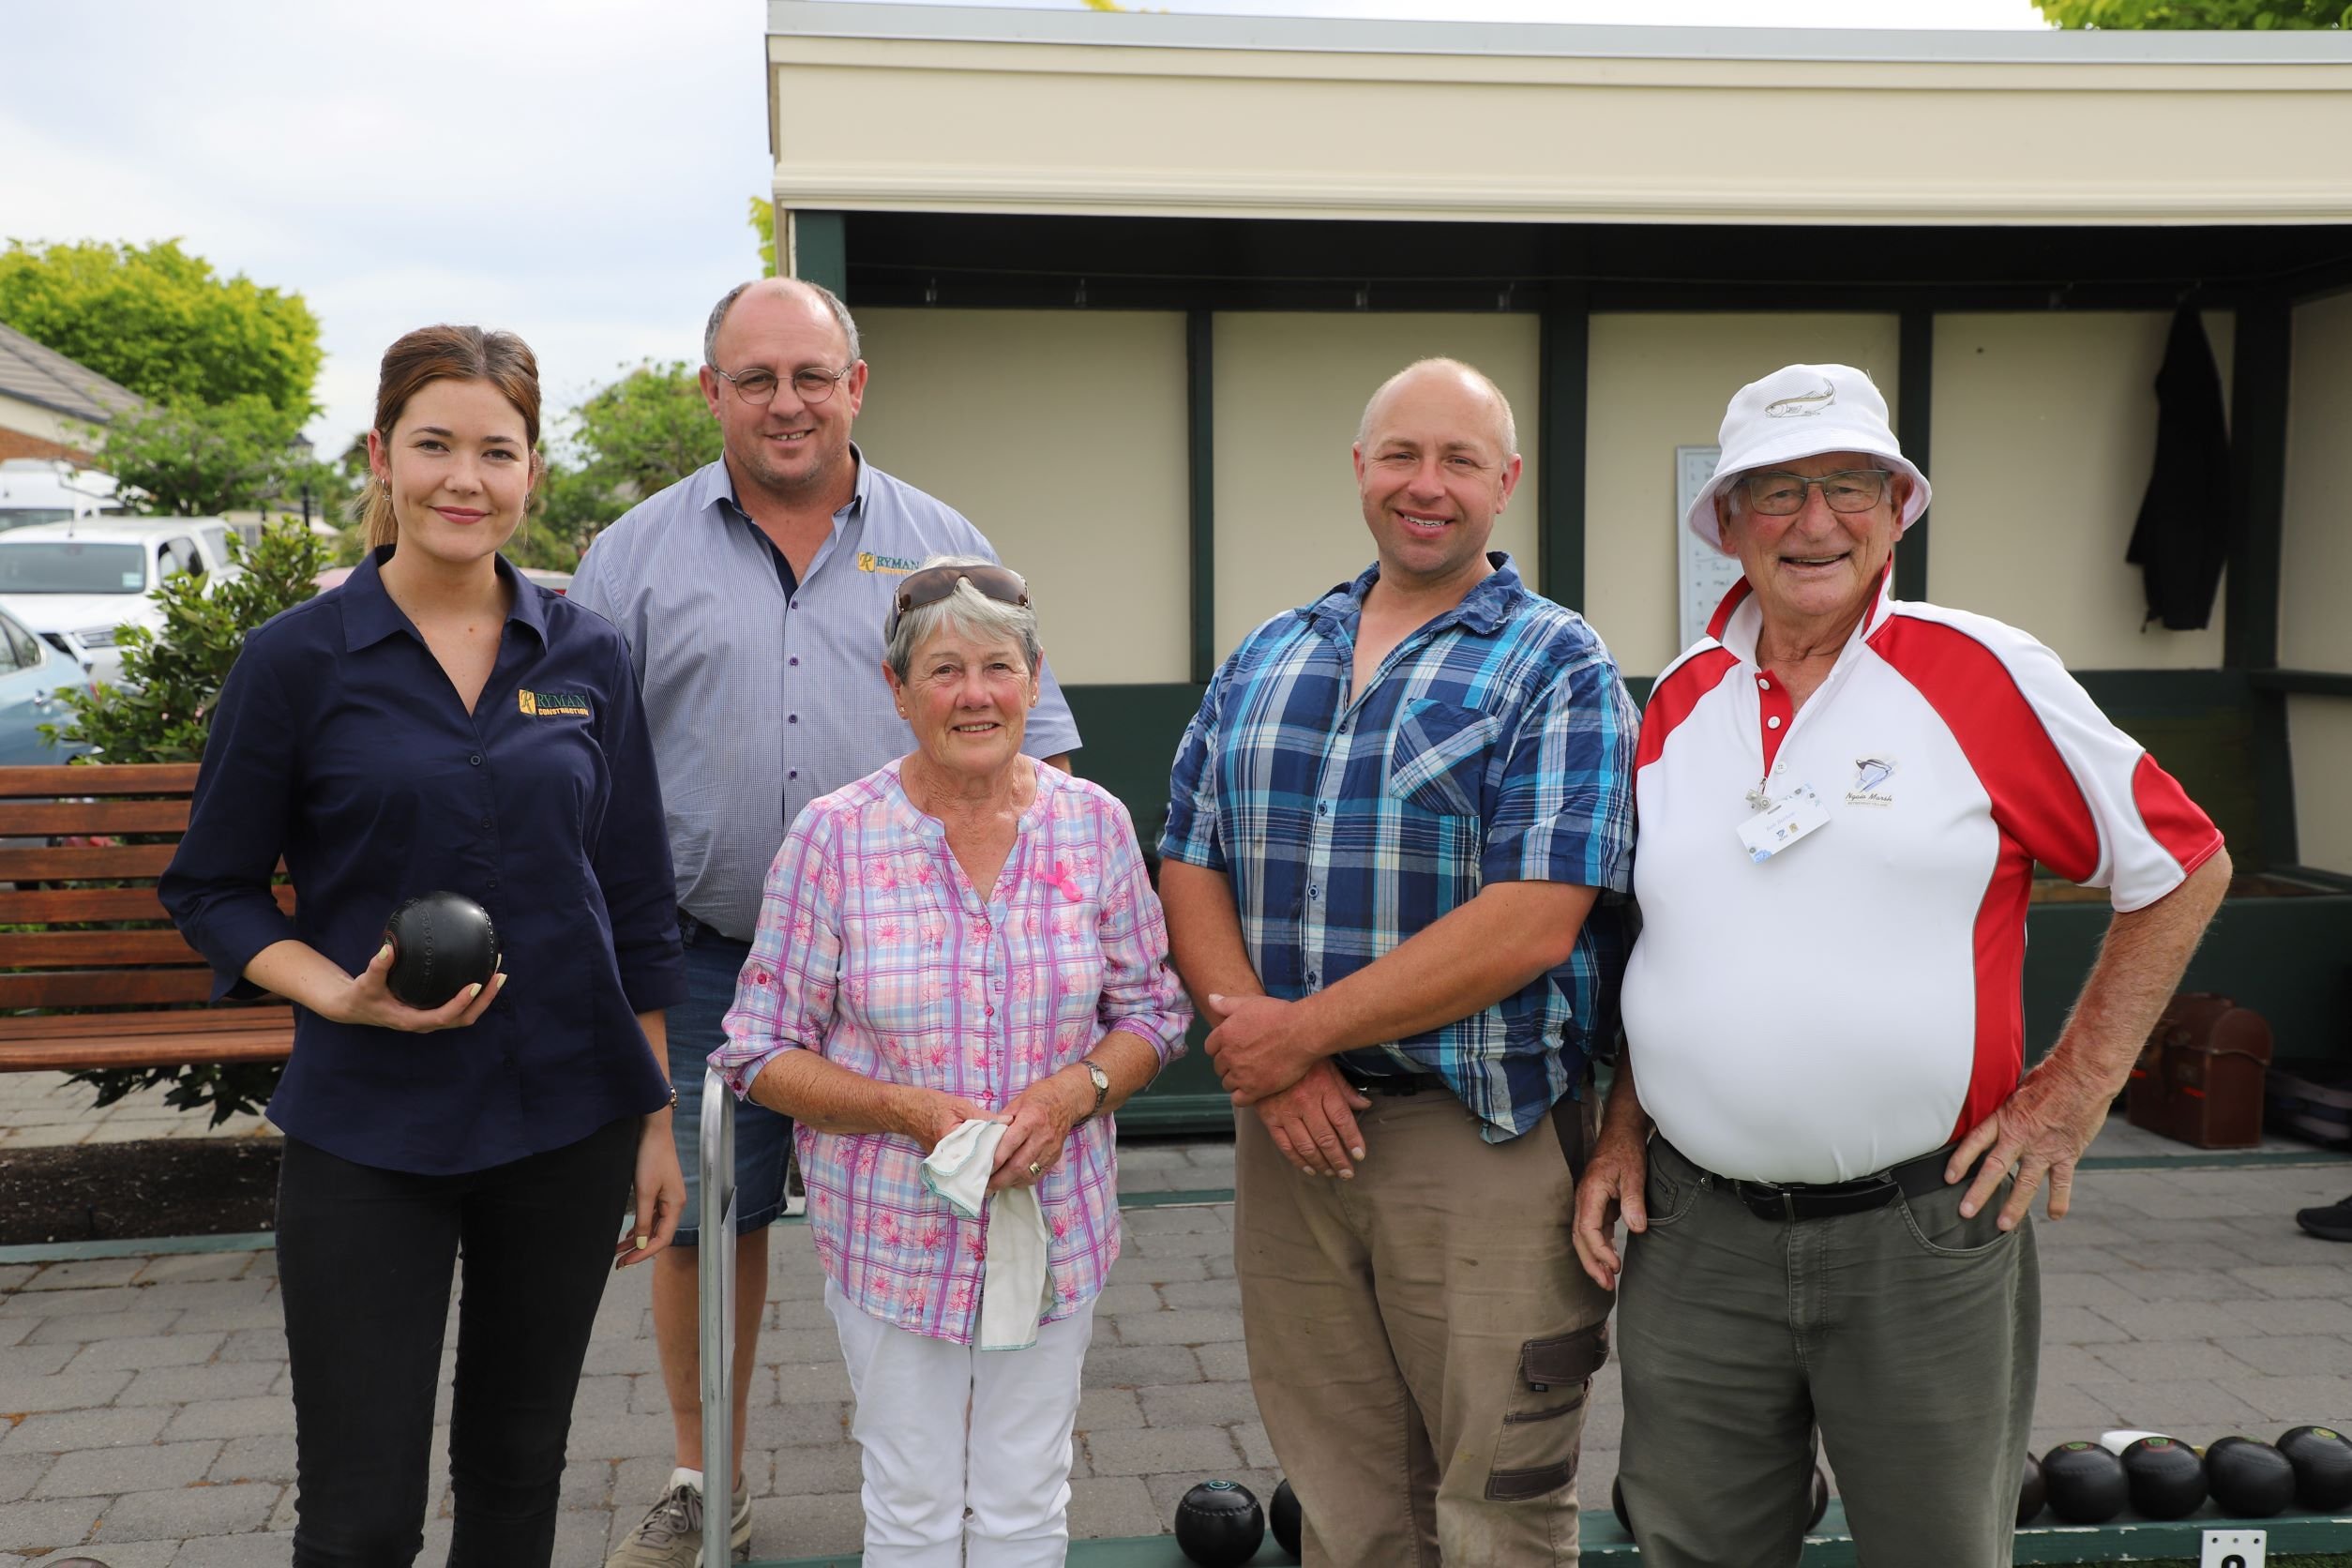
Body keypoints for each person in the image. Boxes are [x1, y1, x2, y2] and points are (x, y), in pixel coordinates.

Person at [1572, 363, 2233, 1568]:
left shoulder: (1979, 669)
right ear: (1728, 522)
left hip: (1921, 1229)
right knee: (1692, 1547)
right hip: (1696, 1234)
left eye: (1849, 485)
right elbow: (1662, 939)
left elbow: (2182, 864)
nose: (1815, 520)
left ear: (1896, 510)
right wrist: (1623, 1126)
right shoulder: (1674, 701)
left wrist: (2072, 1092)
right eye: (1778, 490)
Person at [570, 278, 1081, 1565]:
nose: (786, 402)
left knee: (942, 1197)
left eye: (811, 375)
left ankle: (961, 1486)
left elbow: (1039, 753)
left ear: (856, 385)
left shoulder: (943, 542)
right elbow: (578, 772)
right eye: (756, 378)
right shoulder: (632, 557)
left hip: (916, 965)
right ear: (713, 393)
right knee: (704, 1219)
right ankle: (708, 1481)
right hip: (704, 950)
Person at [159, 325, 686, 1568]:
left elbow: (635, 898)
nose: (465, 479)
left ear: (532, 472)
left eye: (496, 452)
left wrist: (656, 1118)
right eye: (435, 445)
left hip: (566, 1117)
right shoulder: (295, 662)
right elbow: (214, 887)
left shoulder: (588, 655)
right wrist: (334, 994)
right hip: (369, 1124)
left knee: (516, 1479)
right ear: (381, 456)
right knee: (360, 1518)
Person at [1158, 358, 1637, 1565]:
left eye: (1460, 460)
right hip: (1294, 1146)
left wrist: (1296, 1035)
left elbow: (1535, 919)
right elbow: (1189, 859)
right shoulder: (1268, 653)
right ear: (1360, 468)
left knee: (1497, 1504)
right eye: (1402, 455)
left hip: (1476, 1140)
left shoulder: (1557, 663)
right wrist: (1274, 1056)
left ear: (1505, 483)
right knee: (1343, 1503)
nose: (1428, 485)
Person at [710, 557, 1189, 1566]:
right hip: (893, 1236)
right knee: (913, 1508)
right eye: (944, 670)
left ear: (1034, 680)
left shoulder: (1093, 824)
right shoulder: (836, 837)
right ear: (897, 690)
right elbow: (757, 1049)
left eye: (998, 667)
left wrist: (1075, 1091)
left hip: (1055, 1226)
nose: (976, 694)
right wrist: (907, 1109)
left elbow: (1152, 1012)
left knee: (1025, 1503)